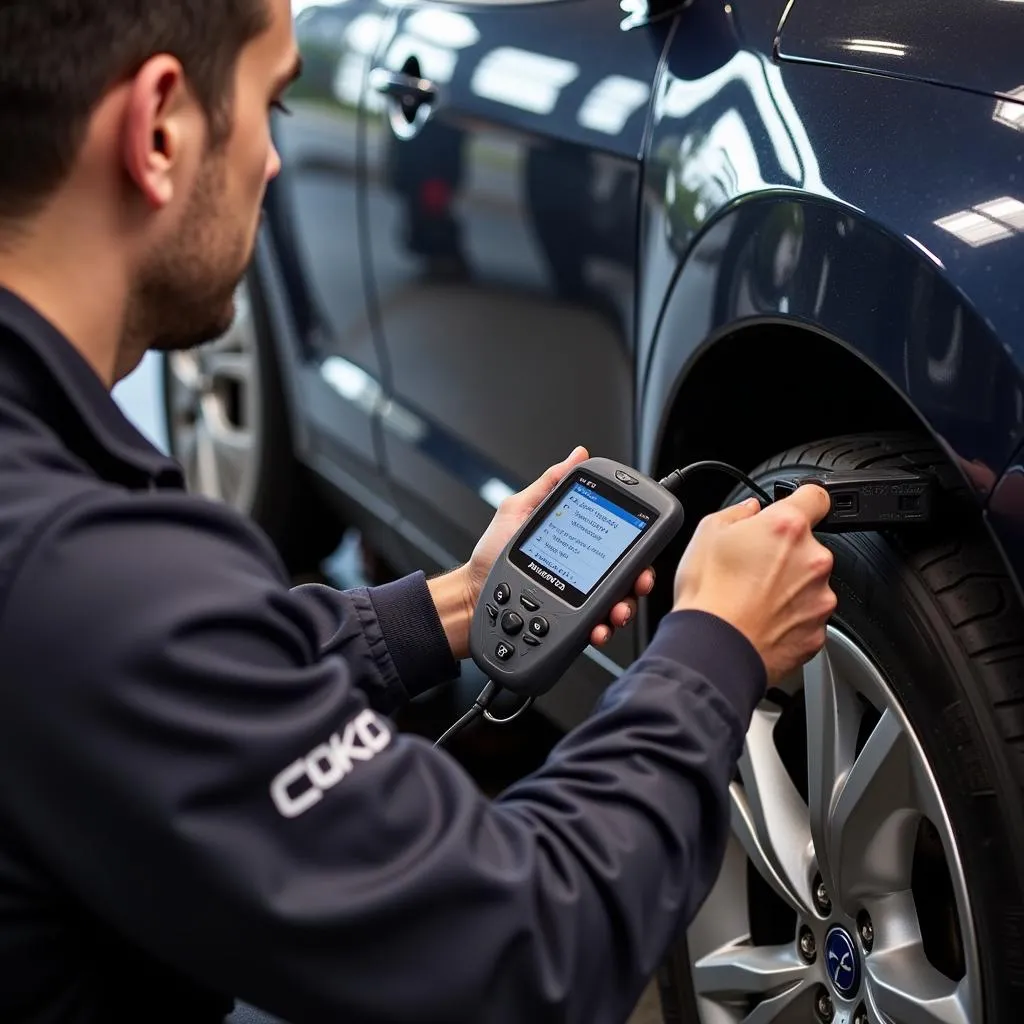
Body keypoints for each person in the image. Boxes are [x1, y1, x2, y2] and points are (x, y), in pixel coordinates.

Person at [0, 2, 837, 1022]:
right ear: (161, 128)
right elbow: (523, 944)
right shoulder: (86, 570)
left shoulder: (60, 541)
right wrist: (712, 653)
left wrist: (452, 602)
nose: (272, 160)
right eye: (271, 103)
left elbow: (166, 683)